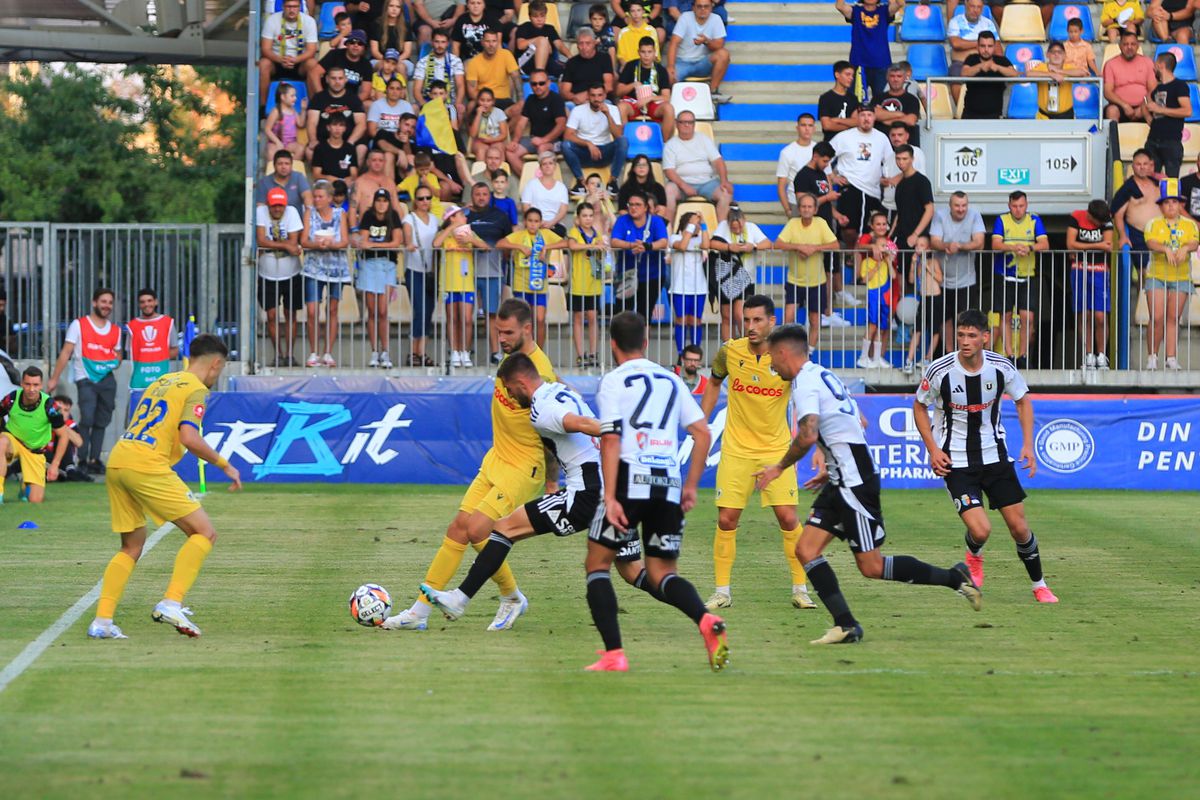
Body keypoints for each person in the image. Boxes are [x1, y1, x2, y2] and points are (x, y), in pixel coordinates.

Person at [755, 323, 979, 645]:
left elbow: (807, 434)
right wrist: (832, 461)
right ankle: (845, 625)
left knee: (871, 566)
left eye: (771, 359)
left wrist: (779, 467)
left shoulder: (804, 383)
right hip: (843, 476)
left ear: (782, 352)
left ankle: (953, 577)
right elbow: (858, 420)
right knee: (805, 549)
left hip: (853, 482)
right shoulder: (821, 373)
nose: (772, 367)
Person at [422, 352, 658, 627]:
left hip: (586, 494)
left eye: (510, 390)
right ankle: (695, 607)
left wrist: (619, 431)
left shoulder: (540, 410)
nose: (510, 396)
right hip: (616, 491)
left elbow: (579, 423)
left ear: (521, 383)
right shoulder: (559, 390)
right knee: (632, 571)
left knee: (502, 530)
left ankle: (462, 599)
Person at [385, 299, 551, 631]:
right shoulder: (511, 357)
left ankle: (512, 596)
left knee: (479, 529)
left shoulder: (539, 373)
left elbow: (552, 427)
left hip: (523, 467)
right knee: (458, 528)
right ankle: (419, 613)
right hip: (497, 459)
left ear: (528, 329)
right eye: (498, 331)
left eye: (508, 332)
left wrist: (553, 481)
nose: (501, 338)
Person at [588, 311, 726, 672]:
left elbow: (612, 438)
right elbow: (703, 434)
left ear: (612, 344)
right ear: (646, 342)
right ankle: (705, 620)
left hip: (630, 477)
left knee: (597, 565)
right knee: (663, 572)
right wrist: (691, 485)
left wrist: (611, 495)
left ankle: (614, 655)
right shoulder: (671, 380)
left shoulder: (613, 382)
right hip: (667, 481)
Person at [86, 334, 243, 640]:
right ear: (215, 364)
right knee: (204, 532)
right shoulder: (197, 389)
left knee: (131, 546)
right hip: (146, 463)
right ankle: (172, 601)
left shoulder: (163, 380)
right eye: (220, 369)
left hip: (120, 459)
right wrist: (225, 464)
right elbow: (188, 437)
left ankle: (102, 622)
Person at [912, 309, 1057, 604]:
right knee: (981, 529)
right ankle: (974, 556)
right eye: (961, 335)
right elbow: (919, 406)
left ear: (985, 338)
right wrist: (933, 449)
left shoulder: (1000, 367)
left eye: (972, 336)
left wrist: (1028, 445)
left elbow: (1023, 401)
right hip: (956, 462)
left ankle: (1039, 585)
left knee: (1019, 527)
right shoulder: (940, 370)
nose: (965, 341)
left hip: (995, 457)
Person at [697, 294, 815, 611]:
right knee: (727, 518)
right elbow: (713, 381)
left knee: (789, 518)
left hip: (776, 451)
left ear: (772, 321)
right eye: (746, 320)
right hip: (736, 450)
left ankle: (800, 589)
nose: (750, 327)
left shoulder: (787, 359)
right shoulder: (729, 351)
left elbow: (810, 396)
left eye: (757, 320)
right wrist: (702, 423)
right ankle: (722, 591)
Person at [48, 288, 121, 474]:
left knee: (102, 421)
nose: (107, 306)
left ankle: (95, 459)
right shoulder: (79, 324)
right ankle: (81, 459)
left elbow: (118, 355)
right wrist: (54, 378)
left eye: (110, 302)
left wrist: (115, 360)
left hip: (107, 379)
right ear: (94, 302)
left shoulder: (115, 330)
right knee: (87, 418)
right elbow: (66, 352)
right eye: (103, 301)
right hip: (85, 378)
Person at [793, 141, 853, 324]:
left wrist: (837, 215)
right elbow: (803, 203)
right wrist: (828, 197)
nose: (827, 165)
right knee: (823, 270)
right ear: (815, 156)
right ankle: (824, 312)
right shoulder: (803, 176)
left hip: (827, 225)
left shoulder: (821, 173)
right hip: (814, 230)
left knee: (830, 268)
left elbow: (825, 203)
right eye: (825, 161)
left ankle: (827, 311)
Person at [1143, 179, 1199, 370]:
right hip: (1157, 275)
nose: (1171, 206)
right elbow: (1150, 242)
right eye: (1167, 202)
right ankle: (1152, 356)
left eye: (1174, 202)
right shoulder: (1153, 223)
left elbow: (1194, 243)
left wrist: (1185, 247)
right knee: (1156, 317)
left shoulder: (1190, 225)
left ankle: (1171, 357)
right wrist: (1165, 249)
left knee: (1173, 318)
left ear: (1180, 204)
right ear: (1161, 205)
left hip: (1181, 276)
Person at [991, 191, 1048, 368]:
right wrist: (1014, 247)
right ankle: (1009, 354)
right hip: (1004, 274)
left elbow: (1044, 245)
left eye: (1021, 206)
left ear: (1026, 205)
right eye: (1014, 206)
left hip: (1027, 275)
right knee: (1006, 315)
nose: (1018, 210)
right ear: (1009, 206)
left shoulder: (1034, 220)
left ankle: (1022, 354)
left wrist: (1029, 248)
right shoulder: (1002, 219)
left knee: (1027, 317)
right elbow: (995, 244)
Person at [498, 207, 568, 347]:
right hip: (521, 285)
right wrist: (519, 247)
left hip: (539, 285)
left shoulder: (546, 234)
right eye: (530, 221)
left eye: (536, 221)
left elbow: (567, 243)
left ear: (541, 222)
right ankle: (522, 350)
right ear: (525, 222)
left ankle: (538, 352)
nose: (533, 224)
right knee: (522, 321)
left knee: (540, 319)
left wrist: (547, 248)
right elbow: (500, 243)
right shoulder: (519, 235)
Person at [300, 180, 352, 368]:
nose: (317, 199)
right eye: (315, 196)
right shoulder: (309, 213)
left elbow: (344, 241)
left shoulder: (340, 214)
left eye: (321, 196)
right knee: (312, 311)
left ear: (330, 198)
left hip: (336, 268)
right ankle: (313, 352)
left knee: (332, 309)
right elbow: (304, 240)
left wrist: (331, 244)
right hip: (313, 267)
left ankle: (328, 352)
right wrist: (317, 245)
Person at [0, 366, 70, 504]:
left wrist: (55, 465)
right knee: (1, 443)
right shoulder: (12, 399)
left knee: (35, 499)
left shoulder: (50, 406)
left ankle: (24, 485)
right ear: (21, 384)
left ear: (41, 385)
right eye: (27, 384)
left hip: (35, 451)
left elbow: (64, 435)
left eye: (35, 385)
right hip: (13, 440)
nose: (31, 389)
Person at [776, 193, 837, 350]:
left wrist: (814, 248)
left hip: (817, 282)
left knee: (815, 320)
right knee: (788, 317)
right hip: (794, 280)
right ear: (799, 209)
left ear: (815, 209)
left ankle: (809, 353)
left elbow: (835, 245)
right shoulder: (793, 223)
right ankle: (786, 350)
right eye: (803, 206)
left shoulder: (821, 223)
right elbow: (779, 244)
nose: (806, 209)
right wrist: (799, 247)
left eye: (810, 206)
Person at [930, 191, 986, 352]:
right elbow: (934, 242)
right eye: (957, 206)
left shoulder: (974, 215)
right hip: (941, 280)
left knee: (965, 319)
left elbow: (980, 243)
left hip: (966, 280)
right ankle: (950, 353)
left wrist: (959, 246)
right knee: (944, 319)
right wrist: (947, 245)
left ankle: (964, 352)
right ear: (950, 206)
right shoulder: (940, 215)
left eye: (964, 206)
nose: (961, 209)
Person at [354, 188, 404, 369]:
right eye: (379, 200)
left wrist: (375, 245)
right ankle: (374, 351)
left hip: (387, 265)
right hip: (369, 265)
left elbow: (397, 242)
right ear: (374, 201)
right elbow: (363, 242)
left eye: (385, 200)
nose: (381, 204)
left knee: (383, 311)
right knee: (372, 310)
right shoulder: (368, 216)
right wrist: (383, 245)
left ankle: (385, 351)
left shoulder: (394, 216)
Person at [256, 187, 305, 368]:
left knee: (290, 314)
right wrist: (286, 247)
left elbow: (294, 241)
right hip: (267, 272)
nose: (277, 209)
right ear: (268, 205)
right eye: (274, 206)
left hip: (291, 271)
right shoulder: (260, 212)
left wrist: (277, 245)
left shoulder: (291, 212)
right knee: (271, 315)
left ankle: (290, 354)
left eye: (280, 206)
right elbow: (261, 240)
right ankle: (278, 354)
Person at [435, 205, 490, 366]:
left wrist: (471, 240)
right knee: (452, 318)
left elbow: (486, 247)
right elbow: (436, 243)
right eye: (461, 215)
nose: (465, 217)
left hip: (466, 283)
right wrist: (451, 227)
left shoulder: (469, 232)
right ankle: (454, 352)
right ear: (452, 217)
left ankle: (465, 352)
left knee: (466, 319)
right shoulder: (444, 234)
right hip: (449, 283)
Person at [467, 180, 514, 364]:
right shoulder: (465, 216)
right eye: (477, 194)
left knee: (492, 314)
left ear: (490, 196)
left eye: (484, 194)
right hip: (467, 273)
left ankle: (495, 352)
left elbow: (508, 241)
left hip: (493, 272)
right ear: (472, 196)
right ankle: (464, 352)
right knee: (466, 314)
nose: (481, 198)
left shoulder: (500, 216)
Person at [829, 104, 889, 246]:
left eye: (869, 115)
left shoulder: (882, 138)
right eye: (862, 115)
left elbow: (889, 162)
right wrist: (832, 176)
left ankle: (861, 260)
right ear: (857, 118)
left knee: (869, 232)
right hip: (850, 189)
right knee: (848, 229)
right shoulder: (844, 137)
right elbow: (824, 156)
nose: (866, 119)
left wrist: (885, 177)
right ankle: (851, 253)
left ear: (874, 117)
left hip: (873, 192)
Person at [1065, 200, 1114, 371]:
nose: (1101, 225)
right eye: (1098, 222)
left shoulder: (1107, 219)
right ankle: (1088, 355)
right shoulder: (1077, 216)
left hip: (1100, 271)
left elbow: (1108, 246)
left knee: (1100, 316)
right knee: (1083, 314)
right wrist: (1097, 245)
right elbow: (1070, 244)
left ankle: (1101, 355)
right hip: (1079, 270)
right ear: (1090, 215)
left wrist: (1083, 247)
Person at [710, 206, 770, 341]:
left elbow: (767, 243)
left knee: (740, 313)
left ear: (744, 220)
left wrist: (753, 246)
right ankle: (728, 351)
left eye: (739, 227)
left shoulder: (752, 227)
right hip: (726, 277)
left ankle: (746, 345)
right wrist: (728, 247)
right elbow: (712, 243)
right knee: (726, 315)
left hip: (746, 277)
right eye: (734, 228)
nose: (737, 230)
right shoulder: (722, 226)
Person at [662, 111, 732, 221]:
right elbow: (669, 171)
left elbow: (718, 161)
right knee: (668, 191)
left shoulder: (704, 139)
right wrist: (684, 186)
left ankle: (720, 234)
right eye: (683, 122)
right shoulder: (670, 145)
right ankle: (667, 231)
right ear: (676, 124)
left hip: (707, 183)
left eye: (690, 122)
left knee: (725, 193)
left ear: (694, 124)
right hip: (681, 184)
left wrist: (724, 181)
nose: (686, 125)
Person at [611, 190, 670, 320]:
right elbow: (614, 241)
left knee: (645, 314)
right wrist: (632, 245)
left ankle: (644, 341)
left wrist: (647, 246)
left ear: (645, 207)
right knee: (623, 313)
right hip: (627, 273)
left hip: (652, 274)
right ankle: (623, 340)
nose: (633, 207)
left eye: (637, 204)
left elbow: (663, 242)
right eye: (630, 204)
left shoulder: (656, 221)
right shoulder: (622, 220)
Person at [834, 0, 903, 105]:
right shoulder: (856, 11)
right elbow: (839, 6)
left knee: (882, 102)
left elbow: (900, 3)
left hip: (881, 65)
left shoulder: (884, 11)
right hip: (859, 65)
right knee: (856, 102)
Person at [562, 85, 627, 196]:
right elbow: (567, 136)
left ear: (605, 96)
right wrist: (588, 144)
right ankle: (581, 182)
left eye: (600, 95)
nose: (596, 99)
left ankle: (612, 182)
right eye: (593, 95)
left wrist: (608, 115)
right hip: (584, 152)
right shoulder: (578, 110)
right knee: (565, 145)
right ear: (588, 96)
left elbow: (618, 135)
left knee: (623, 141)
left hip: (604, 152)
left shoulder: (613, 110)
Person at [565, 202, 608, 367]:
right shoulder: (575, 232)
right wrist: (592, 245)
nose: (588, 219)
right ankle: (580, 354)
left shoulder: (596, 233)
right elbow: (573, 246)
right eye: (584, 216)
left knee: (592, 317)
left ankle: (593, 353)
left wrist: (601, 249)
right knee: (577, 318)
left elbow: (600, 251)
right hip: (578, 283)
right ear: (578, 218)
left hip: (593, 283)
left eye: (590, 215)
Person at [403, 187, 441, 366]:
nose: (425, 201)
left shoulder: (434, 219)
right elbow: (407, 236)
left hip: (430, 272)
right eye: (421, 198)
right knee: (420, 310)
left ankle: (422, 351)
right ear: (415, 201)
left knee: (429, 311)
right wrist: (409, 243)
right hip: (414, 269)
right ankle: (413, 351)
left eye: (428, 197)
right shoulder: (409, 218)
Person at [259, 0, 319, 112]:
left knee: (312, 64)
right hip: (277, 61)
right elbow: (265, 48)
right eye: (289, 7)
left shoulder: (309, 21)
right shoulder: (272, 20)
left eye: (295, 7)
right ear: (283, 7)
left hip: (299, 62)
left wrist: (296, 60)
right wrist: (279, 59)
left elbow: (312, 50)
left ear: (300, 7)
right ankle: (262, 107)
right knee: (264, 63)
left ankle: (314, 107)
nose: (292, 10)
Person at [855, 210, 898, 369]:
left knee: (882, 325)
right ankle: (864, 356)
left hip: (886, 293)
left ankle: (877, 358)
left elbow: (893, 275)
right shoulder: (867, 244)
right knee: (872, 324)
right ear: (872, 226)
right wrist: (875, 250)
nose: (881, 227)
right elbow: (864, 277)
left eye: (883, 224)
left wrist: (887, 260)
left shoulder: (889, 245)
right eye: (877, 224)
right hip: (874, 293)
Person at [890, 143, 934, 292]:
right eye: (898, 159)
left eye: (904, 158)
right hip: (902, 237)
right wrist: (891, 234)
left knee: (919, 277)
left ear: (912, 159)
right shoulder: (900, 184)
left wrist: (916, 235)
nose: (901, 162)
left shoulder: (922, 181)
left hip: (918, 238)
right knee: (902, 274)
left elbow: (929, 209)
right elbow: (900, 211)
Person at [666, 2, 731, 104]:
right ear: (693, 8)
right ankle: (670, 99)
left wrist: (706, 41)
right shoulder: (685, 17)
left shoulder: (716, 19)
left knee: (724, 54)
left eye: (706, 6)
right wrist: (670, 66)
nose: (703, 9)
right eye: (699, 6)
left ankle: (713, 92)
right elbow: (674, 43)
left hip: (703, 62)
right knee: (668, 76)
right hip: (682, 62)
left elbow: (719, 45)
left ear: (711, 7)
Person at [506, 69, 568, 170]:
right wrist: (515, 141)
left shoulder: (556, 99)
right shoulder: (530, 99)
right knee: (510, 151)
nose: (538, 86)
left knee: (542, 148)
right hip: (534, 139)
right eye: (534, 84)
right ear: (530, 85)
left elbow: (561, 125)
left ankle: (544, 182)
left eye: (541, 83)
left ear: (548, 83)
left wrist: (544, 140)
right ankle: (529, 180)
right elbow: (521, 124)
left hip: (554, 141)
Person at [616, 36, 676, 139]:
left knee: (669, 108)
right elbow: (618, 91)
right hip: (634, 103)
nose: (646, 56)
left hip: (653, 104)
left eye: (649, 52)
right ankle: (625, 141)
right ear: (638, 52)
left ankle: (664, 145)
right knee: (621, 107)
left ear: (654, 52)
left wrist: (649, 98)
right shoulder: (630, 66)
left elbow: (666, 97)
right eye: (643, 52)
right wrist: (633, 85)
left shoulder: (661, 69)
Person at [667, 211, 710, 354]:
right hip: (680, 287)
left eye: (697, 224)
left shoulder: (698, 240)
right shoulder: (675, 237)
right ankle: (681, 353)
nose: (696, 226)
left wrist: (703, 224)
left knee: (696, 320)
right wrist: (691, 225)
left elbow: (706, 245)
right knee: (681, 319)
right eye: (694, 223)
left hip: (699, 288)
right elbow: (683, 246)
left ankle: (695, 352)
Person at [305, 66, 367, 164]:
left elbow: (361, 124)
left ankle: (351, 178)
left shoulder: (354, 99)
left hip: (348, 138)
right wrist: (313, 140)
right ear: (327, 79)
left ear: (346, 80)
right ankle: (322, 178)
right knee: (309, 151)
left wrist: (349, 143)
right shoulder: (318, 98)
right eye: (333, 78)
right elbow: (311, 122)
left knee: (362, 148)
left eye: (340, 78)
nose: (337, 81)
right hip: (325, 140)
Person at [1144, 52, 1192, 178]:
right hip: (1153, 140)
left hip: (1171, 141)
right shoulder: (1157, 89)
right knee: (1150, 179)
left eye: (1155, 65)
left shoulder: (1179, 85)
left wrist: (1160, 110)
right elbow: (1146, 104)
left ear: (1161, 65)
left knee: (1171, 182)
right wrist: (1150, 119)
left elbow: (1187, 111)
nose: (1153, 68)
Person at [1113, 149, 1160, 272]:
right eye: (1138, 164)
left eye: (1145, 164)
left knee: (1163, 272)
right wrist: (1123, 235)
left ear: (1150, 165)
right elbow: (1117, 214)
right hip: (1139, 235)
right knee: (1144, 273)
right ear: (1133, 166)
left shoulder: (1157, 184)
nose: (1142, 167)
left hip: (1160, 234)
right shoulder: (1127, 188)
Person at [125, 289, 178, 392]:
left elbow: (175, 350)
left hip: (162, 381)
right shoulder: (132, 326)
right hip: (138, 382)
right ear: (139, 305)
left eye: (149, 301)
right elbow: (129, 352)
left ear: (156, 302)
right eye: (143, 302)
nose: (146, 304)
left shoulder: (167, 322)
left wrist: (156, 357)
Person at [946, 0, 998, 103]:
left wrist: (966, 46)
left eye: (979, 7)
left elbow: (997, 49)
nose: (975, 10)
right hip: (961, 63)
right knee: (955, 74)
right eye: (972, 6)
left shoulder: (988, 24)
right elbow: (956, 44)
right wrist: (981, 44)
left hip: (985, 61)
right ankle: (962, 113)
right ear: (966, 4)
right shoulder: (955, 21)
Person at [465, 29, 522, 119]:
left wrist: (521, 100)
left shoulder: (506, 55)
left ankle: (506, 132)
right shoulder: (474, 62)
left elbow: (516, 77)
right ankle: (471, 133)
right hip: (484, 101)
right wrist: (487, 102)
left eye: (494, 41)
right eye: (488, 41)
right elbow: (472, 92)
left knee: (520, 109)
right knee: (470, 105)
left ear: (497, 42)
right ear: (482, 42)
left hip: (504, 100)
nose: (491, 45)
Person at [960, 31, 1018, 120]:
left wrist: (997, 68)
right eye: (983, 46)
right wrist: (980, 67)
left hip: (994, 115)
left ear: (994, 47)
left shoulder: (1001, 60)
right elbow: (964, 73)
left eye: (990, 46)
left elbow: (1014, 74)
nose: (986, 49)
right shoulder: (971, 58)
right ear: (977, 47)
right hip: (970, 115)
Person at [1103, 30, 1158, 123]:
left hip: (1143, 106)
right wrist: (1125, 106)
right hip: (1120, 106)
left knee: (1157, 108)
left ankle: (1154, 137)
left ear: (1138, 46)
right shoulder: (1110, 64)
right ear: (1120, 46)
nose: (1129, 47)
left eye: (1133, 44)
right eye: (1125, 44)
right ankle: (1113, 137)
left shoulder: (1148, 62)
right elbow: (1107, 92)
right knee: (1111, 111)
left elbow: (1153, 90)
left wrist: (1142, 107)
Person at [904, 247, 943, 375]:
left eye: (922, 245)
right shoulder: (919, 263)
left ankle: (928, 358)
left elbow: (940, 279)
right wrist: (913, 264)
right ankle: (909, 360)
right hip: (924, 298)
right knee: (918, 329)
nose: (919, 248)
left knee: (935, 329)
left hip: (935, 297)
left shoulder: (934, 261)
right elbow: (911, 280)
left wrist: (927, 267)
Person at [1026, 41, 1087, 120]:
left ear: (1065, 55)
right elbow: (1029, 74)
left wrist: (1059, 71)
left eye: (1059, 52)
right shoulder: (1042, 67)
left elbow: (1082, 73)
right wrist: (1050, 74)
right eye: (1053, 52)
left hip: (1066, 115)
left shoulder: (1069, 67)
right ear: (1047, 54)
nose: (1056, 54)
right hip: (1044, 116)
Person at [311, 28, 375, 103]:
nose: (356, 45)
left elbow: (365, 92)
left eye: (360, 43)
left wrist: (351, 104)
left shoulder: (366, 65)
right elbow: (314, 73)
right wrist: (321, 95)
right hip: (327, 96)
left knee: (368, 104)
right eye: (352, 42)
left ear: (364, 48)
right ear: (347, 44)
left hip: (350, 101)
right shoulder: (334, 54)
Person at [520, 150, 571, 235]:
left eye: (550, 163)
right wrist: (538, 222)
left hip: (555, 225)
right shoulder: (531, 184)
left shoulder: (561, 187)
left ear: (555, 166)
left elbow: (563, 210)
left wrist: (551, 223)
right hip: (534, 224)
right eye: (544, 164)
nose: (547, 166)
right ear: (540, 167)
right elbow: (526, 206)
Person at [515, 0, 571, 77]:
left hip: (547, 61)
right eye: (535, 16)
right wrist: (539, 41)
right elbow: (520, 45)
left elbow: (560, 46)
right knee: (542, 41)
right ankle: (539, 75)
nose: (539, 19)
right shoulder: (524, 27)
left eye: (542, 16)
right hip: (526, 63)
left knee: (567, 71)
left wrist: (571, 57)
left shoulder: (550, 28)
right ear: (530, 17)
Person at [561, 27, 616, 107]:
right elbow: (565, 91)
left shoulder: (604, 59)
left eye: (587, 43)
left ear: (594, 43)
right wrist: (574, 97)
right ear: (577, 45)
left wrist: (588, 96)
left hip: (600, 100)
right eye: (581, 43)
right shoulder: (571, 63)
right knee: (565, 107)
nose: (584, 47)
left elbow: (608, 86)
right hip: (577, 102)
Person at [775, 114, 817, 219]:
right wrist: (788, 210)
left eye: (810, 125)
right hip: (796, 203)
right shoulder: (787, 152)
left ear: (814, 128)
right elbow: (781, 185)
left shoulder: (819, 149)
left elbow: (828, 177)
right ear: (797, 128)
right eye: (803, 125)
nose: (807, 129)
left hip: (817, 203)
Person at [873, 64, 920, 146]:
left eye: (899, 76)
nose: (895, 79)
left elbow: (911, 121)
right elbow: (874, 115)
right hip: (880, 144)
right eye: (892, 76)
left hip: (904, 147)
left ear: (905, 78)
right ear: (887, 78)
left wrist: (883, 118)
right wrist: (899, 114)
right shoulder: (878, 98)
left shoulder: (912, 99)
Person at [256, 150, 313, 215]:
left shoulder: (298, 177)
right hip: (272, 221)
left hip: (296, 222)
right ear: (274, 165)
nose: (283, 167)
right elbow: (260, 207)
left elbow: (307, 197)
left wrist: (308, 218)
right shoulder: (264, 182)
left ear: (291, 165)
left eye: (287, 164)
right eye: (280, 164)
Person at [817, 60, 858, 143]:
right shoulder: (826, 98)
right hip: (831, 142)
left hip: (850, 143)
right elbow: (827, 125)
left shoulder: (853, 98)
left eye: (852, 75)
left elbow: (857, 122)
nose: (851, 78)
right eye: (847, 74)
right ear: (837, 75)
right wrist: (849, 126)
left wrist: (837, 120)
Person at [265, 82, 306, 163]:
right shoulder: (276, 111)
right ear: (283, 97)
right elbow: (267, 129)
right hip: (277, 142)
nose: (295, 98)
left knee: (301, 148)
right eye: (292, 96)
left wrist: (303, 109)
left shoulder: (293, 110)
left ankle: (290, 167)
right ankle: (274, 170)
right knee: (271, 151)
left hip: (290, 143)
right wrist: (278, 142)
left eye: (295, 96)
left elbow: (300, 124)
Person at [310, 114, 358, 182]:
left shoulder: (350, 148)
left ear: (344, 129)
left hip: (345, 183)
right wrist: (328, 178)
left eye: (341, 125)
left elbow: (354, 173)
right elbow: (316, 174)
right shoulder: (320, 148)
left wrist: (349, 179)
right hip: (326, 182)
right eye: (334, 125)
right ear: (328, 127)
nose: (337, 128)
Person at [616, 2, 661, 66]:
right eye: (633, 11)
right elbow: (621, 56)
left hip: (646, 67)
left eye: (638, 10)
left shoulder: (651, 30)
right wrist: (629, 70)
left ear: (643, 12)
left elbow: (655, 55)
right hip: (629, 68)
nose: (636, 14)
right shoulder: (623, 32)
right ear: (629, 13)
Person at [371, 0, 412, 65]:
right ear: (386, 7)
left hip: (401, 59)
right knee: (380, 65)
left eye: (398, 7)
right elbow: (374, 51)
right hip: (380, 59)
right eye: (391, 6)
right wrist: (387, 61)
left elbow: (407, 52)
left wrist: (394, 61)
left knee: (400, 66)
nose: (394, 9)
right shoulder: (376, 24)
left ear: (401, 10)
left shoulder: (406, 26)